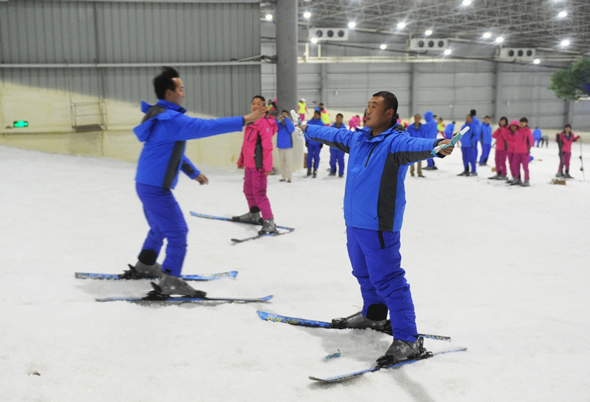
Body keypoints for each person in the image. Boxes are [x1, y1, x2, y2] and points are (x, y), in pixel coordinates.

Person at [298, 91, 455, 365]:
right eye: (368, 105)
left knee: (389, 280)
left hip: (379, 225)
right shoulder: (358, 138)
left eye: (374, 107)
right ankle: (374, 315)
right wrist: (305, 128)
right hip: (355, 222)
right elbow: (333, 135)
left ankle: (407, 339)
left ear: (389, 114)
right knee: (363, 273)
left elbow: (420, 145)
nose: (368, 111)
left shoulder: (395, 143)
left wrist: (438, 145)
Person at [131, 67, 265, 297]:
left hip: (145, 183)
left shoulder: (162, 114)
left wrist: (193, 173)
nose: (184, 93)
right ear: (169, 93)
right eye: (181, 89)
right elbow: (206, 126)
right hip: (154, 188)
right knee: (177, 233)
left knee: (160, 227)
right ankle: (171, 280)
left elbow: (172, 152)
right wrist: (244, 119)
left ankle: (145, 265)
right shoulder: (170, 120)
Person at [233, 95, 279, 234]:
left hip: (258, 165)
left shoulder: (263, 124)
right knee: (248, 190)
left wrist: (268, 166)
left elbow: (267, 147)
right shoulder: (250, 123)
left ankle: (269, 221)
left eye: (259, 104)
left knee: (259, 193)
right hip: (249, 165)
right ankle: (254, 214)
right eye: (253, 103)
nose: (255, 106)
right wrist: (241, 160)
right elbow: (246, 145)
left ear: (264, 107)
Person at [510, 117, 534, 186]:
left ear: (526, 123)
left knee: (525, 167)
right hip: (517, 152)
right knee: (515, 165)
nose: (521, 124)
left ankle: (526, 180)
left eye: (523, 122)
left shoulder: (528, 131)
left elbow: (531, 141)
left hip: (524, 152)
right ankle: (517, 179)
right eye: (521, 122)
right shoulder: (517, 131)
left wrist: (527, 149)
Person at [276, 110, 295, 183]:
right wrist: (277, 119)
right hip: (280, 147)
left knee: (288, 163)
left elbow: (291, 130)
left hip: (288, 147)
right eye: (282, 115)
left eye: (285, 115)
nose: (283, 116)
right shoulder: (279, 125)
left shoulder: (289, 124)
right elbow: (274, 127)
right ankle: (283, 177)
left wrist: (286, 119)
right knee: (282, 163)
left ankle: (289, 177)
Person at [305, 110, 325, 177]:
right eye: (315, 114)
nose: (315, 116)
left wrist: (322, 142)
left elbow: (322, 134)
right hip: (310, 142)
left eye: (317, 114)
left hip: (317, 143)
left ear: (319, 116)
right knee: (309, 157)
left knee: (316, 157)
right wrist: (306, 140)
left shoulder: (321, 124)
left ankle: (315, 169)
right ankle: (309, 169)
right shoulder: (309, 122)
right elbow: (306, 132)